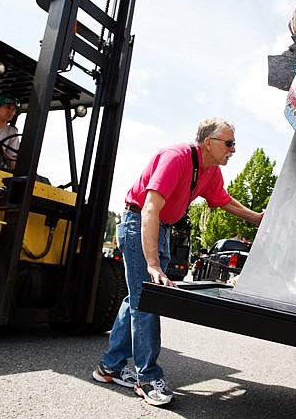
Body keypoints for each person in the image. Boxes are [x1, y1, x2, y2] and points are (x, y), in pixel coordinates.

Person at [92, 117, 263, 406]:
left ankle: (110, 367)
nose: (233, 149)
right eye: (229, 143)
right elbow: (149, 208)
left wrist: (258, 219)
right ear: (209, 143)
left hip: (163, 229)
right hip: (139, 224)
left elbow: (223, 200)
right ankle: (147, 378)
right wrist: (153, 264)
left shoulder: (210, 170)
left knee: (136, 298)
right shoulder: (176, 157)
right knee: (147, 300)